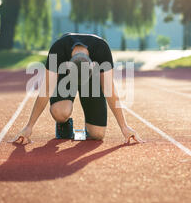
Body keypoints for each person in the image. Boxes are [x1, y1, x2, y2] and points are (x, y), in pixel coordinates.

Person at [11, 33, 144, 144]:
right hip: (64, 77)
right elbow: (45, 91)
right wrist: (29, 126)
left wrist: (124, 127)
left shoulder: (101, 50)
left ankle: (89, 127)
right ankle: (63, 124)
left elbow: (110, 91)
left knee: (97, 134)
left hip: (92, 78)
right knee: (60, 112)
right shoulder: (58, 50)